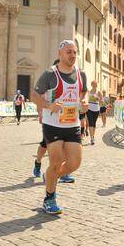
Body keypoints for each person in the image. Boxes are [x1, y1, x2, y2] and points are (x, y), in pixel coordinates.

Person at [31, 40, 88, 214]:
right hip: (53, 125)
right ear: (60, 54)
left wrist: (84, 101)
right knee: (55, 162)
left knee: (74, 163)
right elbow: (34, 95)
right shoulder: (50, 74)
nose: (72, 55)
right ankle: (50, 198)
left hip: (73, 124)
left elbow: (83, 92)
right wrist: (48, 106)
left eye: (74, 52)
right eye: (68, 52)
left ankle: (50, 176)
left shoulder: (81, 74)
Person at [86, 81, 103, 145]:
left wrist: (97, 98)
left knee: (94, 123)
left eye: (95, 84)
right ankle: (91, 138)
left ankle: (93, 136)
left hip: (96, 108)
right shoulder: (89, 92)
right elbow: (86, 99)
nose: (94, 85)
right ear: (91, 85)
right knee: (91, 123)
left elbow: (102, 101)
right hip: (89, 108)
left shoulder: (99, 92)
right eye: (93, 84)